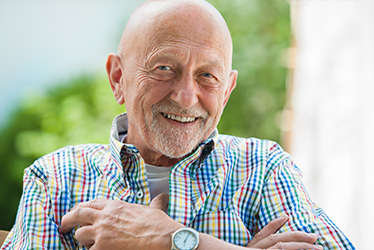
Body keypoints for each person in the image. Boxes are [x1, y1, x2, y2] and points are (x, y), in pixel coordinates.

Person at [1, 0, 354, 249]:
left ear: (227, 90)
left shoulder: (263, 168)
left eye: (207, 76)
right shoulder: (56, 179)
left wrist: (171, 240)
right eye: (164, 68)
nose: (186, 97)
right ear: (118, 77)